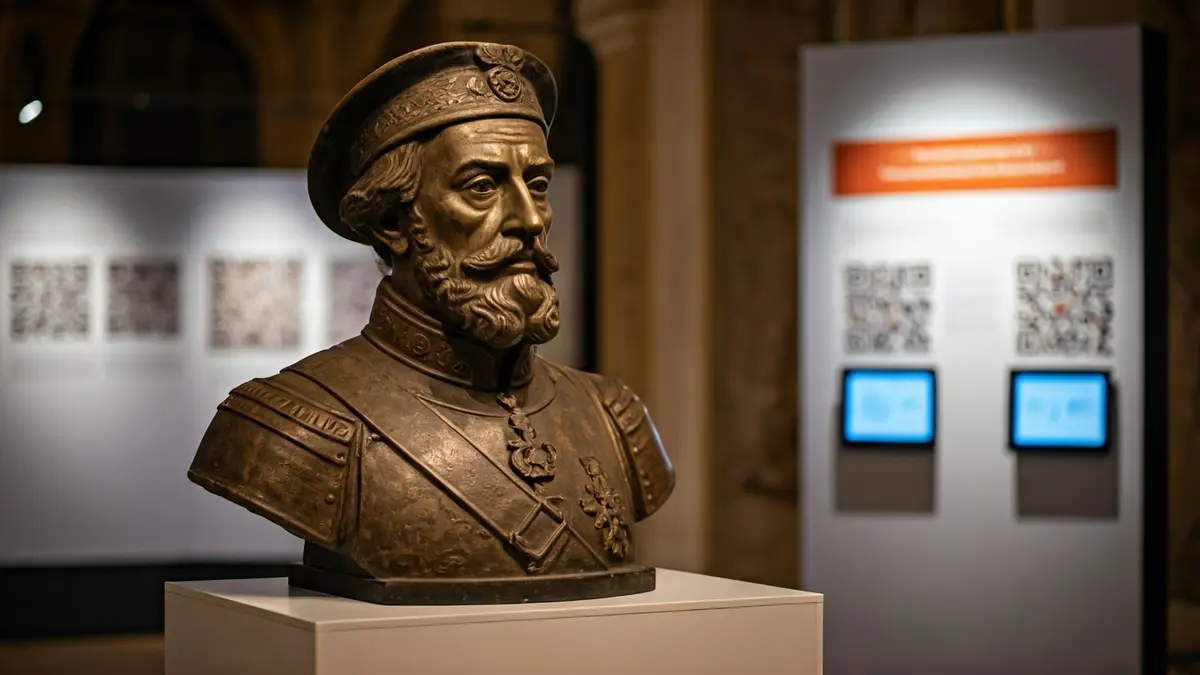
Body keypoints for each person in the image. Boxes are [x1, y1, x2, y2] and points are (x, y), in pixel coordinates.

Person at [187, 42, 675, 605]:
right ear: (394, 221)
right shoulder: (293, 426)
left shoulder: (614, 415)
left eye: (537, 185)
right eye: (482, 187)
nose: (530, 219)